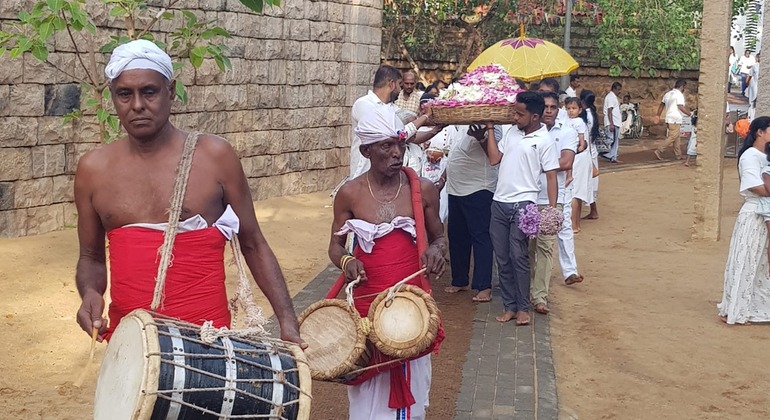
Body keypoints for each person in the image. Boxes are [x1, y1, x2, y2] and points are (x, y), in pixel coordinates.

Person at [73, 40, 303, 345]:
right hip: (132, 345)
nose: (137, 105)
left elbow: (253, 244)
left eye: (149, 91)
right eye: (125, 94)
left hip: (209, 342)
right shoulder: (93, 169)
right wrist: (90, 292)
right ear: (113, 98)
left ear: (171, 92)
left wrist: (287, 321)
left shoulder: (214, 156)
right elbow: (90, 257)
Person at [328, 104, 447, 419]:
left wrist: (437, 251)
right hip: (367, 308)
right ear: (366, 150)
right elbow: (335, 247)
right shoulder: (349, 194)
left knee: (413, 394)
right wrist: (347, 261)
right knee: (365, 398)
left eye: (400, 144)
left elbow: (439, 237)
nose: (397, 153)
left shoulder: (422, 189)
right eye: (387, 146)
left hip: (413, 309)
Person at [482, 92, 560, 325]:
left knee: (519, 255)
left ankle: (523, 307)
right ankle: (510, 307)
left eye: (520, 113)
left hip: (525, 205)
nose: (515, 117)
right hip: (499, 202)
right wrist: (489, 130)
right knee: (503, 257)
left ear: (535, 116)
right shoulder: (511, 132)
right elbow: (494, 159)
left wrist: (552, 211)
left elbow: (551, 177)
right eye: (514, 112)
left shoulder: (545, 141)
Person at [529, 92, 583, 314]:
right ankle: (529, 289)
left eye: (553, 107)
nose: (549, 110)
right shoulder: (528, 132)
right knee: (527, 248)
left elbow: (566, 161)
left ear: (558, 110)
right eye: (545, 107)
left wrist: (536, 164)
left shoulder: (568, 132)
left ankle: (540, 296)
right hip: (528, 195)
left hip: (553, 198)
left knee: (545, 246)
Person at [718, 116, 770, 325]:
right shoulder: (750, 156)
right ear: (760, 132)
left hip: (765, 212)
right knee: (746, 261)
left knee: (762, 264)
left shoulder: (765, 156)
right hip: (754, 214)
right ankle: (736, 309)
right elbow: (754, 186)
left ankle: (756, 308)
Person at [443, 125, 498, 303]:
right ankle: (459, 279)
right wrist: (443, 179)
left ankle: (484, 286)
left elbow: (494, 156)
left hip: (478, 188)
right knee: (457, 235)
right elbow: (454, 152)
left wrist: (482, 136)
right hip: (455, 188)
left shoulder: (494, 126)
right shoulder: (464, 120)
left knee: (481, 236)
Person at [350, 66, 402, 179]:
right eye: (399, 85)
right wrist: (423, 118)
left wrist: (435, 129)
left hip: (387, 174)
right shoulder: (363, 104)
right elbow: (390, 133)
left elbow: (408, 135)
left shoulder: (394, 108)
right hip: (363, 173)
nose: (400, 90)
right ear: (392, 84)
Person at [653, 79, 692, 160]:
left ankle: (678, 155)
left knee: (677, 137)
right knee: (673, 137)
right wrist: (690, 114)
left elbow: (661, 105)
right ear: (682, 87)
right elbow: (680, 106)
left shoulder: (668, 94)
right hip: (675, 118)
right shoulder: (679, 95)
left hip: (669, 118)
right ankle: (659, 150)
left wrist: (658, 115)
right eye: (684, 87)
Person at [579, 90, 600, 221]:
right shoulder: (592, 113)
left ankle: (589, 211)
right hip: (591, 150)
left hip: (586, 151)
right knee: (589, 183)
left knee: (583, 182)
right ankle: (593, 210)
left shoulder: (583, 116)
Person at [602, 81, 622, 163]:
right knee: (610, 140)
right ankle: (604, 153)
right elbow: (609, 110)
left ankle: (613, 156)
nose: (619, 91)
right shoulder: (611, 97)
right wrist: (611, 123)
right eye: (618, 89)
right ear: (614, 89)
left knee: (614, 141)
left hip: (615, 122)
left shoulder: (613, 97)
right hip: (612, 122)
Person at [747, 53, 761, 121]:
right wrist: (747, 84)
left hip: (759, 87)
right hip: (755, 86)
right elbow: (749, 76)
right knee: (753, 103)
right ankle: (751, 119)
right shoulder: (755, 66)